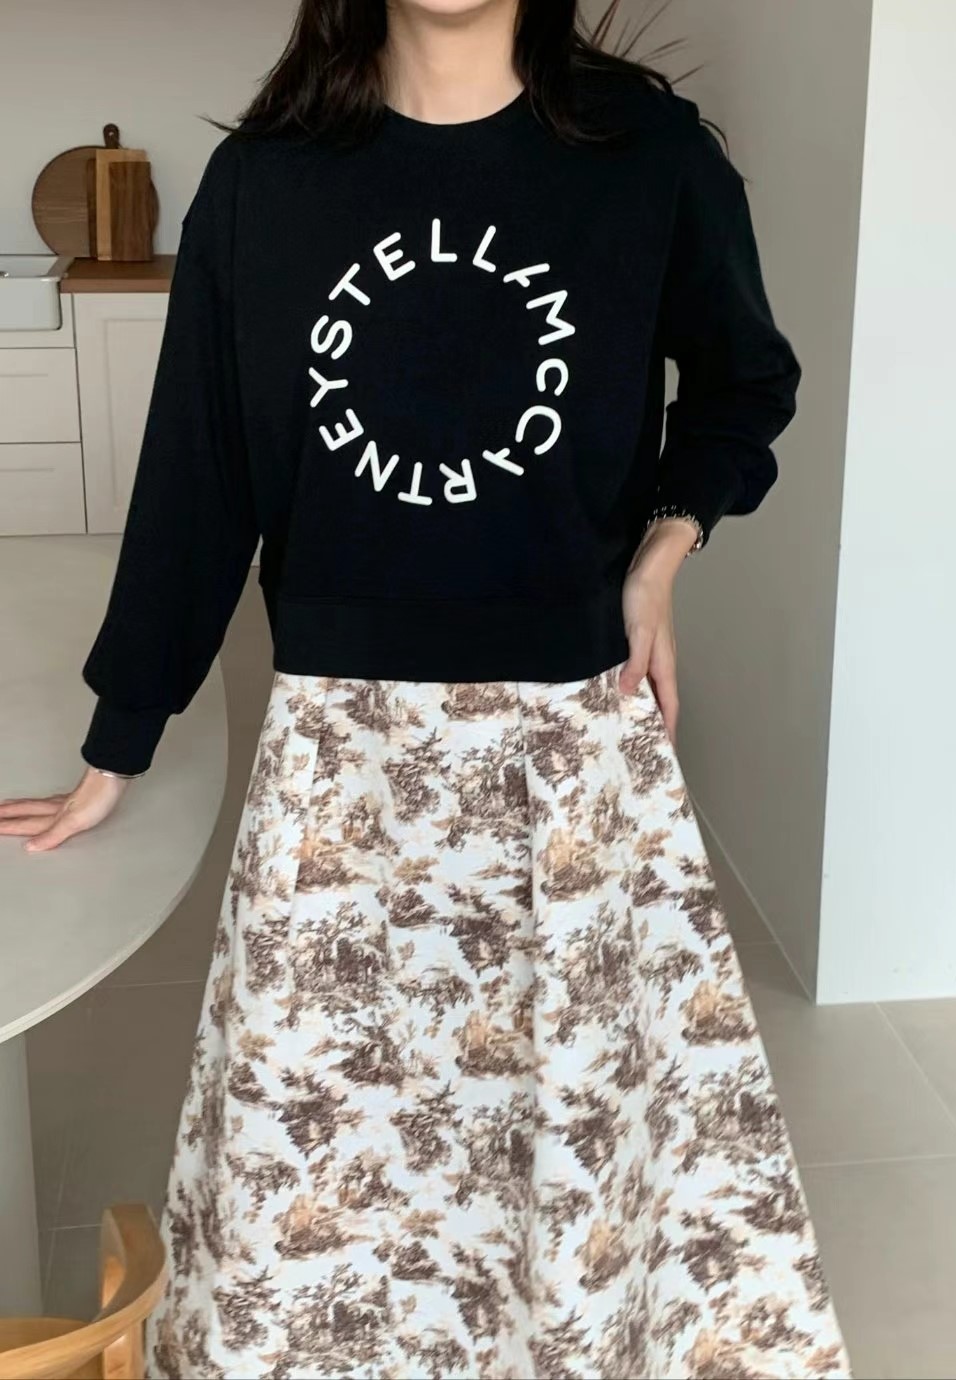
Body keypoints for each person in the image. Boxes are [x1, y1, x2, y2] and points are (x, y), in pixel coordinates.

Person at [0, 1, 851, 1376]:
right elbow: (199, 480)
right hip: (341, 758)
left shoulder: (648, 155)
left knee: (571, 1147)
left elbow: (746, 381)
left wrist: (663, 549)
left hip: (571, 753)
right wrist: (121, 738)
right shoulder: (265, 185)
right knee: (323, 1169)